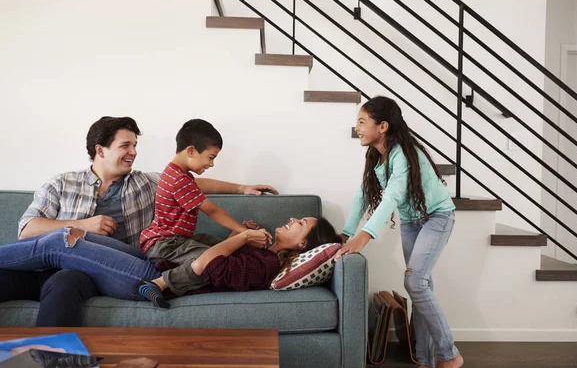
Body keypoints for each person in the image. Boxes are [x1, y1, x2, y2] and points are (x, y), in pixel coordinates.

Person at [0, 116, 277, 323]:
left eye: (135, 145)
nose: (134, 151)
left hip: (103, 271)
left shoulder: (145, 182)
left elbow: (195, 185)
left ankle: (53, 359)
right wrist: (83, 225)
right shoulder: (61, 183)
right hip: (48, 268)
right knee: (56, 247)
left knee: (66, 266)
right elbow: (27, 231)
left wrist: (242, 188)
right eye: (126, 145)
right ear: (101, 150)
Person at [335, 96, 463, 368]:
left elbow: (392, 195)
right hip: (411, 221)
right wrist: (346, 232)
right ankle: (426, 360)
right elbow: (363, 195)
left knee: (415, 283)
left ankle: (449, 355)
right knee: (422, 285)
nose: (356, 127)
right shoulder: (377, 155)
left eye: (361, 121)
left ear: (382, 126)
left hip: (437, 217)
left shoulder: (402, 154)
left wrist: (364, 236)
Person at [0, 216, 340, 304]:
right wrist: (242, 237)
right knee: (81, 236)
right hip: (156, 262)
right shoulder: (262, 251)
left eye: (301, 224)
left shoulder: (267, 265)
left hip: (149, 278)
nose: (293, 219)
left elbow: (210, 267)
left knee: (62, 243)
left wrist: (238, 239)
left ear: (303, 243)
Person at [137, 119, 269, 306]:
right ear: (191, 151)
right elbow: (212, 211)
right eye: (211, 157)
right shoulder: (178, 180)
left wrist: (243, 188)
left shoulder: (178, 174)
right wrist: (243, 231)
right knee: (214, 263)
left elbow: (211, 186)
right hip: (164, 244)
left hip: (176, 240)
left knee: (222, 247)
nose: (212, 164)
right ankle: (158, 284)